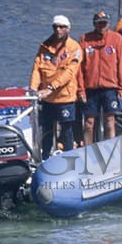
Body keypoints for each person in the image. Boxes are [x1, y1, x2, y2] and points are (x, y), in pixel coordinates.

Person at [30, 16, 84, 156]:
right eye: (55, 27)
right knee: (47, 131)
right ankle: (45, 158)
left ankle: (69, 160)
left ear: (68, 29)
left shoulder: (74, 48)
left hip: (65, 97)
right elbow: (37, 68)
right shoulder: (45, 46)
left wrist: (50, 88)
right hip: (47, 99)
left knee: (66, 131)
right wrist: (33, 88)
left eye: (61, 27)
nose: (58, 30)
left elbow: (69, 72)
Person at [80, 11, 122, 144]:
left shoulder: (116, 38)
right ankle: (87, 150)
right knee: (89, 122)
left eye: (104, 23)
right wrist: (81, 89)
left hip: (110, 88)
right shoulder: (85, 39)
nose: (102, 25)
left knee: (110, 120)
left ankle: (110, 149)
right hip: (91, 88)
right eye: (99, 23)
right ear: (94, 24)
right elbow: (80, 67)